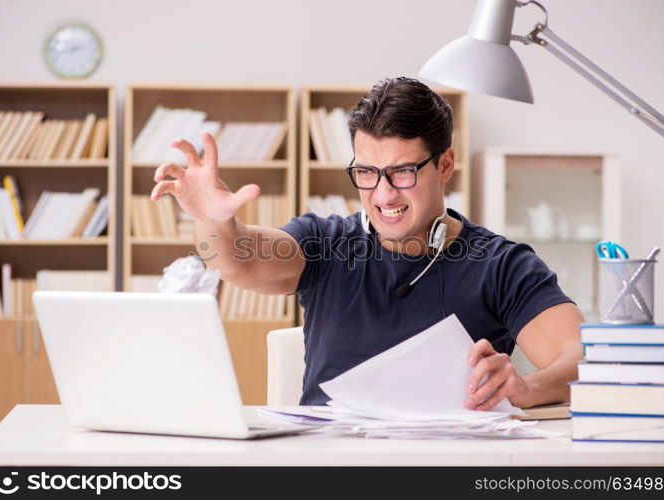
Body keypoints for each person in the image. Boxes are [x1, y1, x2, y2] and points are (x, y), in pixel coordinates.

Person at [150, 77, 584, 409]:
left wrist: (527, 387)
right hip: (327, 466)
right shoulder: (324, 242)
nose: (383, 194)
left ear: (446, 163)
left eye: (402, 172)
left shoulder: (499, 264)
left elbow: (582, 358)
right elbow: (236, 260)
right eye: (366, 173)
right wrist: (210, 220)